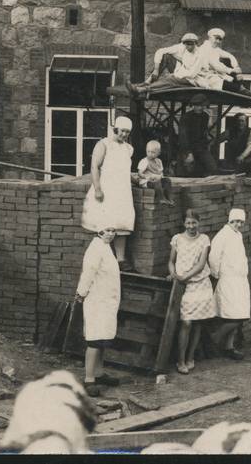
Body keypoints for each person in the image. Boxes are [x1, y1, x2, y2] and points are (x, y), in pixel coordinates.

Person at [81, 116, 136, 272]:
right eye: (122, 131)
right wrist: (98, 189)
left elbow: (124, 170)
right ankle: (102, 257)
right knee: (106, 223)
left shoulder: (128, 148)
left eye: (127, 132)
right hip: (107, 189)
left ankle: (120, 259)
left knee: (122, 223)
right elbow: (94, 167)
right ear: (115, 129)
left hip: (123, 190)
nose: (124, 134)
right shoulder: (103, 144)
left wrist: (139, 181)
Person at [74, 227, 122, 397]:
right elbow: (88, 273)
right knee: (94, 340)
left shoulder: (106, 247)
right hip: (96, 300)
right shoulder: (95, 248)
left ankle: (99, 373)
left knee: (103, 339)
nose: (110, 234)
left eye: (113, 230)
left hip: (107, 301)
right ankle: (88, 379)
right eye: (106, 230)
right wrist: (81, 293)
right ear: (98, 231)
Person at [169, 209, 216, 374]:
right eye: (188, 223)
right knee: (186, 322)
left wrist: (185, 276)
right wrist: (174, 273)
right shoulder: (177, 239)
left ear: (199, 222)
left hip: (201, 284)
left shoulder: (204, 240)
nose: (191, 226)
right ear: (184, 223)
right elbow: (171, 261)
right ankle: (180, 360)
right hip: (184, 287)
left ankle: (190, 358)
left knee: (197, 322)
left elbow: (201, 264)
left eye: (194, 222)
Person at [209, 208, 251, 360]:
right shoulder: (222, 235)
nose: (238, 224)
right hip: (228, 280)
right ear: (230, 220)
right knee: (235, 316)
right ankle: (214, 338)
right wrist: (217, 274)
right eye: (235, 221)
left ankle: (229, 346)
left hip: (240, 280)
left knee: (239, 315)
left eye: (241, 222)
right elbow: (214, 257)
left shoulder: (237, 235)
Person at [127, 33, 205, 97]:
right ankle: (146, 83)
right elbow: (161, 51)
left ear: (195, 44)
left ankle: (142, 89)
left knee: (170, 80)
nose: (189, 46)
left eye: (191, 44)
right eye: (187, 44)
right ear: (183, 44)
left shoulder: (199, 55)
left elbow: (192, 74)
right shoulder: (183, 49)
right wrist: (156, 69)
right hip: (182, 75)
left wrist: (175, 75)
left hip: (194, 80)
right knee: (166, 60)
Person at [197, 28, 251, 96]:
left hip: (215, 74)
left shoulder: (215, 49)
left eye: (220, 39)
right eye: (216, 38)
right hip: (206, 77)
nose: (218, 41)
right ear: (210, 37)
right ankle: (241, 89)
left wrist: (236, 67)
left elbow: (230, 56)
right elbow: (215, 65)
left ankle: (242, 88)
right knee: (226, 82)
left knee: (234, 75)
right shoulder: (204, 48)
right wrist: (231, 70)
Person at [176, 93, 219, 177]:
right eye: (198, 106)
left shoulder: (205, 116)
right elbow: (183, 137)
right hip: (187, 147)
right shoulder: (186, 117)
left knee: (213, 168)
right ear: (193, 106)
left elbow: (204, 133)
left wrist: (206, 146)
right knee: (187, 171)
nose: (201, 108)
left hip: (200, 148)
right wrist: (188, 153)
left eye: (202, 106)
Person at [135, 140, 175, 206]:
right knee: (157, 183)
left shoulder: (159, 161)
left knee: (167, 180)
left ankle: (170, 198)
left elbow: (160, 172)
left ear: (158, 153)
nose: (150, 154)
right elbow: (139, 173)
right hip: (146, 182)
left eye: (153, 152)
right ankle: (162, 198)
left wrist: (160, 176)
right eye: (148, 151)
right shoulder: (144, 161)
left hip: (156, 180)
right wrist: (147, 177)